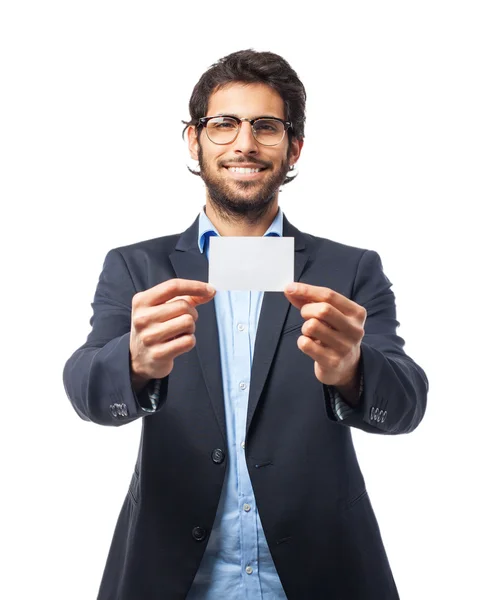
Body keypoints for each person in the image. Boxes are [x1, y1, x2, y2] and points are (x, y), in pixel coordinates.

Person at [63, 49, 428, 600]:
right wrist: (134, 363)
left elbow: (407, 404)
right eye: (224, 124)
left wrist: (354, 370)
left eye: (266, 127)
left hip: (322, 575)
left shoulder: (349, 270)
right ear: (194, 140)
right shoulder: (137, 267)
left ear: (294, 147)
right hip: (174, 577)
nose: (244, 144)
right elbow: (87, 390)